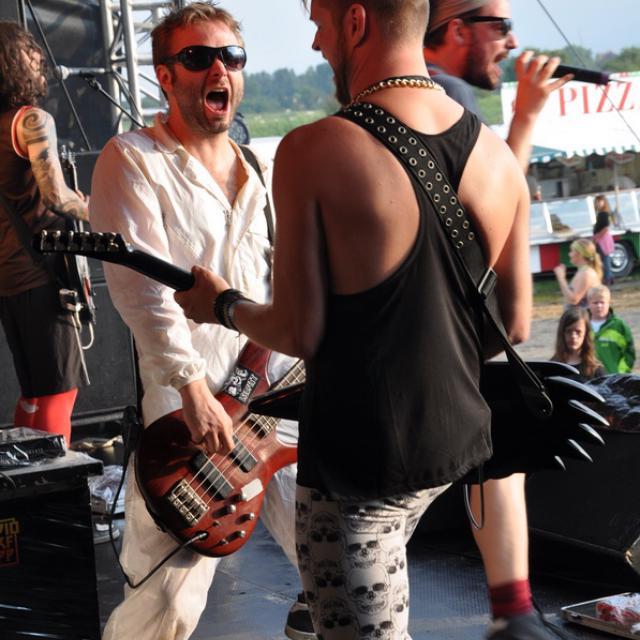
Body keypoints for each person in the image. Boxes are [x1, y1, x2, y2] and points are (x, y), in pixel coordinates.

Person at [175, 0, 534, 637]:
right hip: (451, 445)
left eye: (319, 23)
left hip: (356, 474)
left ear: (357, 22)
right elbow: (516, 325)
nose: (317, 44)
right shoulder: (498, 156)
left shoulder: (314, 149)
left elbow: (298, 332)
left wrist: (221, 305)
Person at [89, 4, 313, 640]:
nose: (219, 69)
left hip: (275, 403)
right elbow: (143, 294)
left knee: (340, 565)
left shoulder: (261, 168)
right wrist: (191, 390)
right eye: (197, 57)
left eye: (231, 57)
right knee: (167, 605)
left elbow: (282, 285)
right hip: (187, 412)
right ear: (165, 76)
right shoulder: (133, 159)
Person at [423, 2, 572, 636]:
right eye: (501, 26)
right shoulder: (445, 95)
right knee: (499, 446)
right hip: (442, 332)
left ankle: (514, 611)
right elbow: (495, 205)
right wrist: (528, 115)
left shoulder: (423, 93)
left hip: (430, 329)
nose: (512, 41)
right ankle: (514, 613)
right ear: (456, 29)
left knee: (494, 451)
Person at [0, 20, 89, 444]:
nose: (40, 58)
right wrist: (98, 209)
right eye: (30, 51)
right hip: (41, 274)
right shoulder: (30, 120)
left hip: (9, 279)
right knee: (58, 393)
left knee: (33, 395)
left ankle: (28, 480)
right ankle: (56, 477)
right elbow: (56, 197)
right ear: (12, 62)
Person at [588, 284, 636, 374]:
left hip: (613, 377)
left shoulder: (619, 326)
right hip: (588, 378)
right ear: (588, 303)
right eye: (595, 303)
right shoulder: (582, 325)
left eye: (602, 302)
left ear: (609, 303)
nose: (599, 306)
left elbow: (629, 353)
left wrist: (621, 374)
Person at [551, 305, 606, 381]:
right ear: (562, 333)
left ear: (586, 334)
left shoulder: (595, 369)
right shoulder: (552, 367)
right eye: (569, 331)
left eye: (578, 332)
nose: (573, 336)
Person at [553, 238, 602, 307]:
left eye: (572, 251)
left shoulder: (586, 274)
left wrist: (561, 278)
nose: (569, 254)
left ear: (580, 254)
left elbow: (573, 300)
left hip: (583, 314)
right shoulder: (582, 271)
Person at [593, 194, 615, 285]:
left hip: (603, 239)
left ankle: (608, 278)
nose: (598, 203)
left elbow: (605, 227)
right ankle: (609, 277)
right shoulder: (602, 213)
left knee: (605, 259)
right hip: (603, 238)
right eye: (597, 202)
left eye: (600, 201)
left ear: (604, 202)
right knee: (605, 258)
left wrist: (597, 236)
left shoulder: (603, 214)